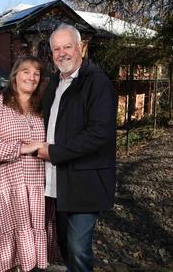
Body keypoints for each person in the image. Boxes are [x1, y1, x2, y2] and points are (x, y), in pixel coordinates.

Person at [37, 24, 117, 272]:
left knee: (78, 247)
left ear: (80, 47)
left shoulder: (97, 82)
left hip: (86, 181)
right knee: (64, 245)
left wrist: (54, 152)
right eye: (56, 49)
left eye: (67, 46)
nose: (62, 53)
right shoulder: (54, 84)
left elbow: (99, 133)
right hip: (59, 182)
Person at [0, 56, 54, 272]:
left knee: (29, 261)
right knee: (3, 258)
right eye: (26, 71)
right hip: (5, 189)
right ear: (15, 76)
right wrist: (22, 147)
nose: (32, 77)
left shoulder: (42, 108)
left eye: (37, 73)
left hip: (35, 189)